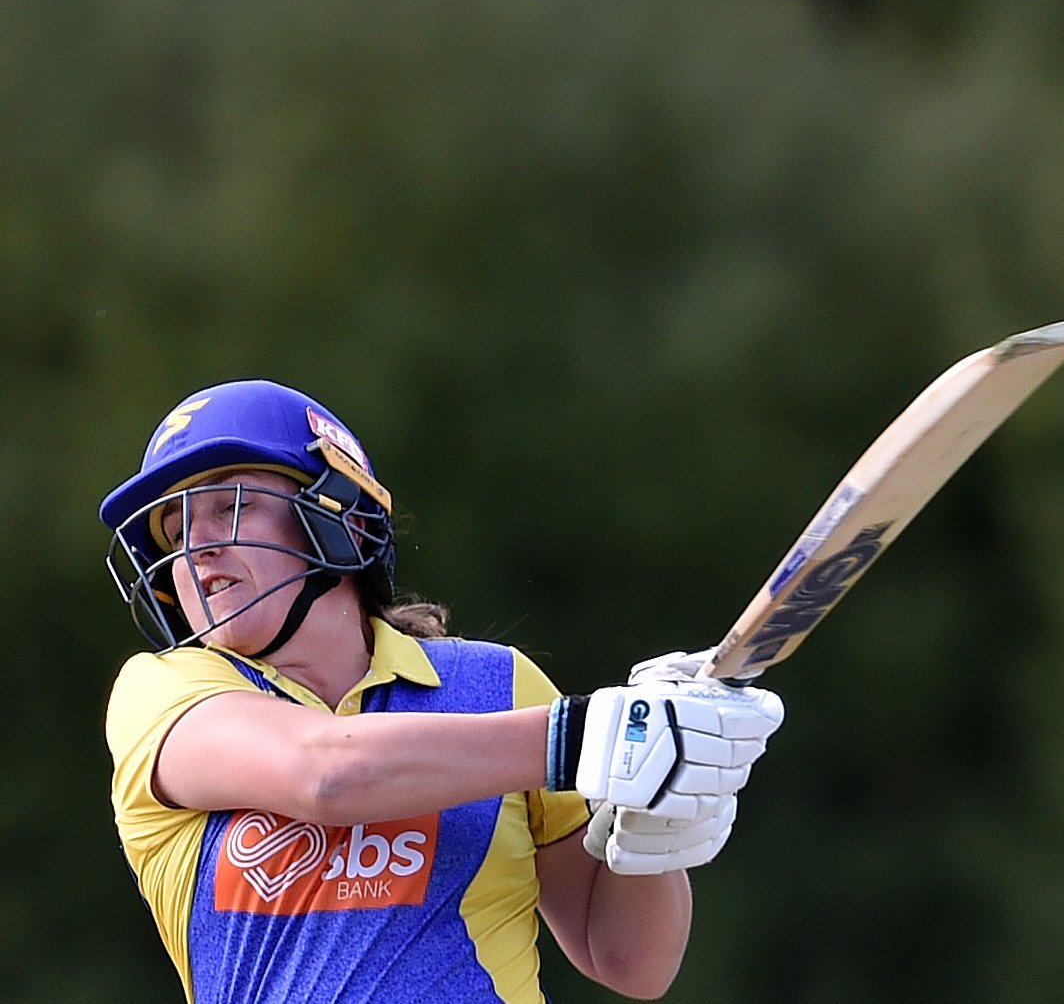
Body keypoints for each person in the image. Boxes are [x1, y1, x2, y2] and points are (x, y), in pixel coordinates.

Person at [99, 379, 784, 1004]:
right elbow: (327, 773)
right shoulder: (161, 694)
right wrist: (589, 737)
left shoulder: (499, 687)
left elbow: (633, 963)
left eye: (229, 507)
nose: (197, 548)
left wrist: (653, 817)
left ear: (340, 517)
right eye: (178, 529)